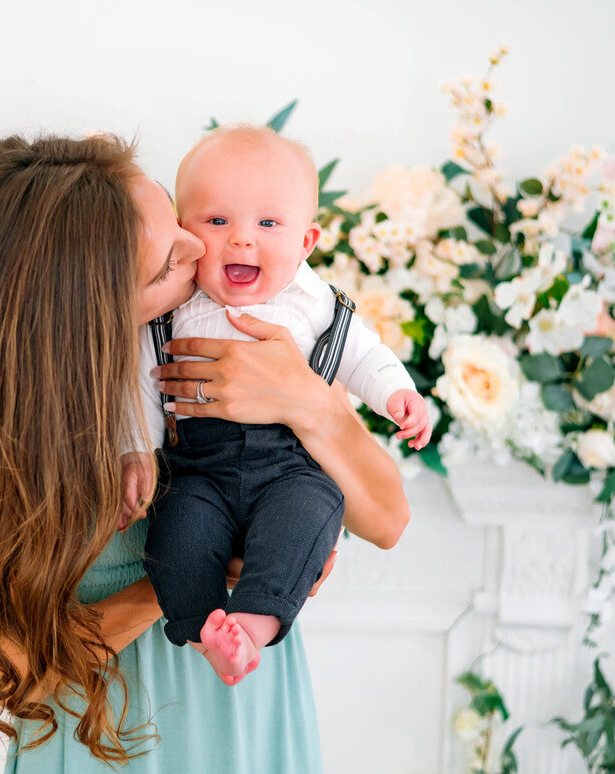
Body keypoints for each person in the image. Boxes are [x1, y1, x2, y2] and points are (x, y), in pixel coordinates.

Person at [0, 133, 411, 772]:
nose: (201, 248)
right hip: (103, 743)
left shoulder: (249, 348)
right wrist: (187, 581)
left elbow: (387, 521)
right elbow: (21, 672)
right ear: (95, 312)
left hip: (247, 725)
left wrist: (309, 402)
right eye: (168, 261)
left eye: (179, 223)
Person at [133, 125, 432, 685]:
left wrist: (398, 394)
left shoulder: (312, 300)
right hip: (198, 466)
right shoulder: (172, 303)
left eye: (268, 224)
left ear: (306, 243)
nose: (242, 240)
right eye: (217, 221)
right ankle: (205, 632)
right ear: (185, 232)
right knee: (176, 530)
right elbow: (150, 386)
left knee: (306, 517)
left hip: (289, 465)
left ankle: (255, 623)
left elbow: (363, 353)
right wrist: (141, 457)